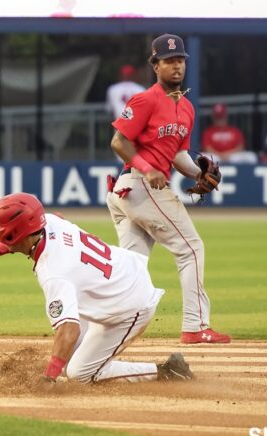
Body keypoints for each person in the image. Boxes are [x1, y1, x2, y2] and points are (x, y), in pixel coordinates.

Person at [0, 193, 195, 384]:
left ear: (15, 233)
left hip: (131, 304)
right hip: (122, 274)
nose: (0, 234)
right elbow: (42, 231)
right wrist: (1, 247)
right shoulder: (50, 221)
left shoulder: (53, 273)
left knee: (78, 374)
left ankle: (167, 371)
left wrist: (49, 377)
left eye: (3, 232)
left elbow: (69, 329)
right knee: (72, 354)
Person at [107, 34, 232, 345]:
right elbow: (118, 141)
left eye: (180, 60)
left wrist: (199, 172)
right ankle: (195, 325)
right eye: (169, 60)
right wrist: (149, 169)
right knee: (191, 249)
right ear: (155, 65)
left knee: (131, 266)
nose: (176, 65)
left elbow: (177, 156)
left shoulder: (186, 107)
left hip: (131, 192)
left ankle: (109, 327)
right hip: (138, 183)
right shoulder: (145, 100)